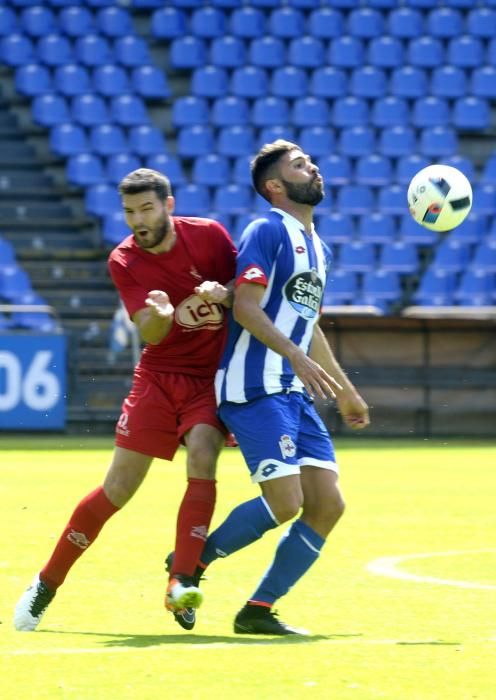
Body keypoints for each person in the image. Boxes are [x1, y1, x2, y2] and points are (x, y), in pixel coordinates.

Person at [14, 168, 237, 632]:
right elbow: (150, 331)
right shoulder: (125, 260)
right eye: (130, 211)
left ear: (169, 206)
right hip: (157, 378)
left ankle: (181, 584)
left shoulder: (211, 237)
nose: (138, 220)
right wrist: (158, 316)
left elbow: (249, 295)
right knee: (118, 489)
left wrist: (227, 292)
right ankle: (46, 584)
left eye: (147, 208)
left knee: (202, 454)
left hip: (205, 381)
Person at [195, 140, 370, 635]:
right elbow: (245, 307)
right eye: (299, 165)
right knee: (286, 501)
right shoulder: (266, 230)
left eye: (311, 160)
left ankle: (258, 610)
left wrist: (343, 389)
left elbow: (307, 325)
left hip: (292, 390)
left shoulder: (321, 248)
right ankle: (193, 558)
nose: (312, 166)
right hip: (254, 384)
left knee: (328, 504)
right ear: (274, 186)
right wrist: (291, 355)